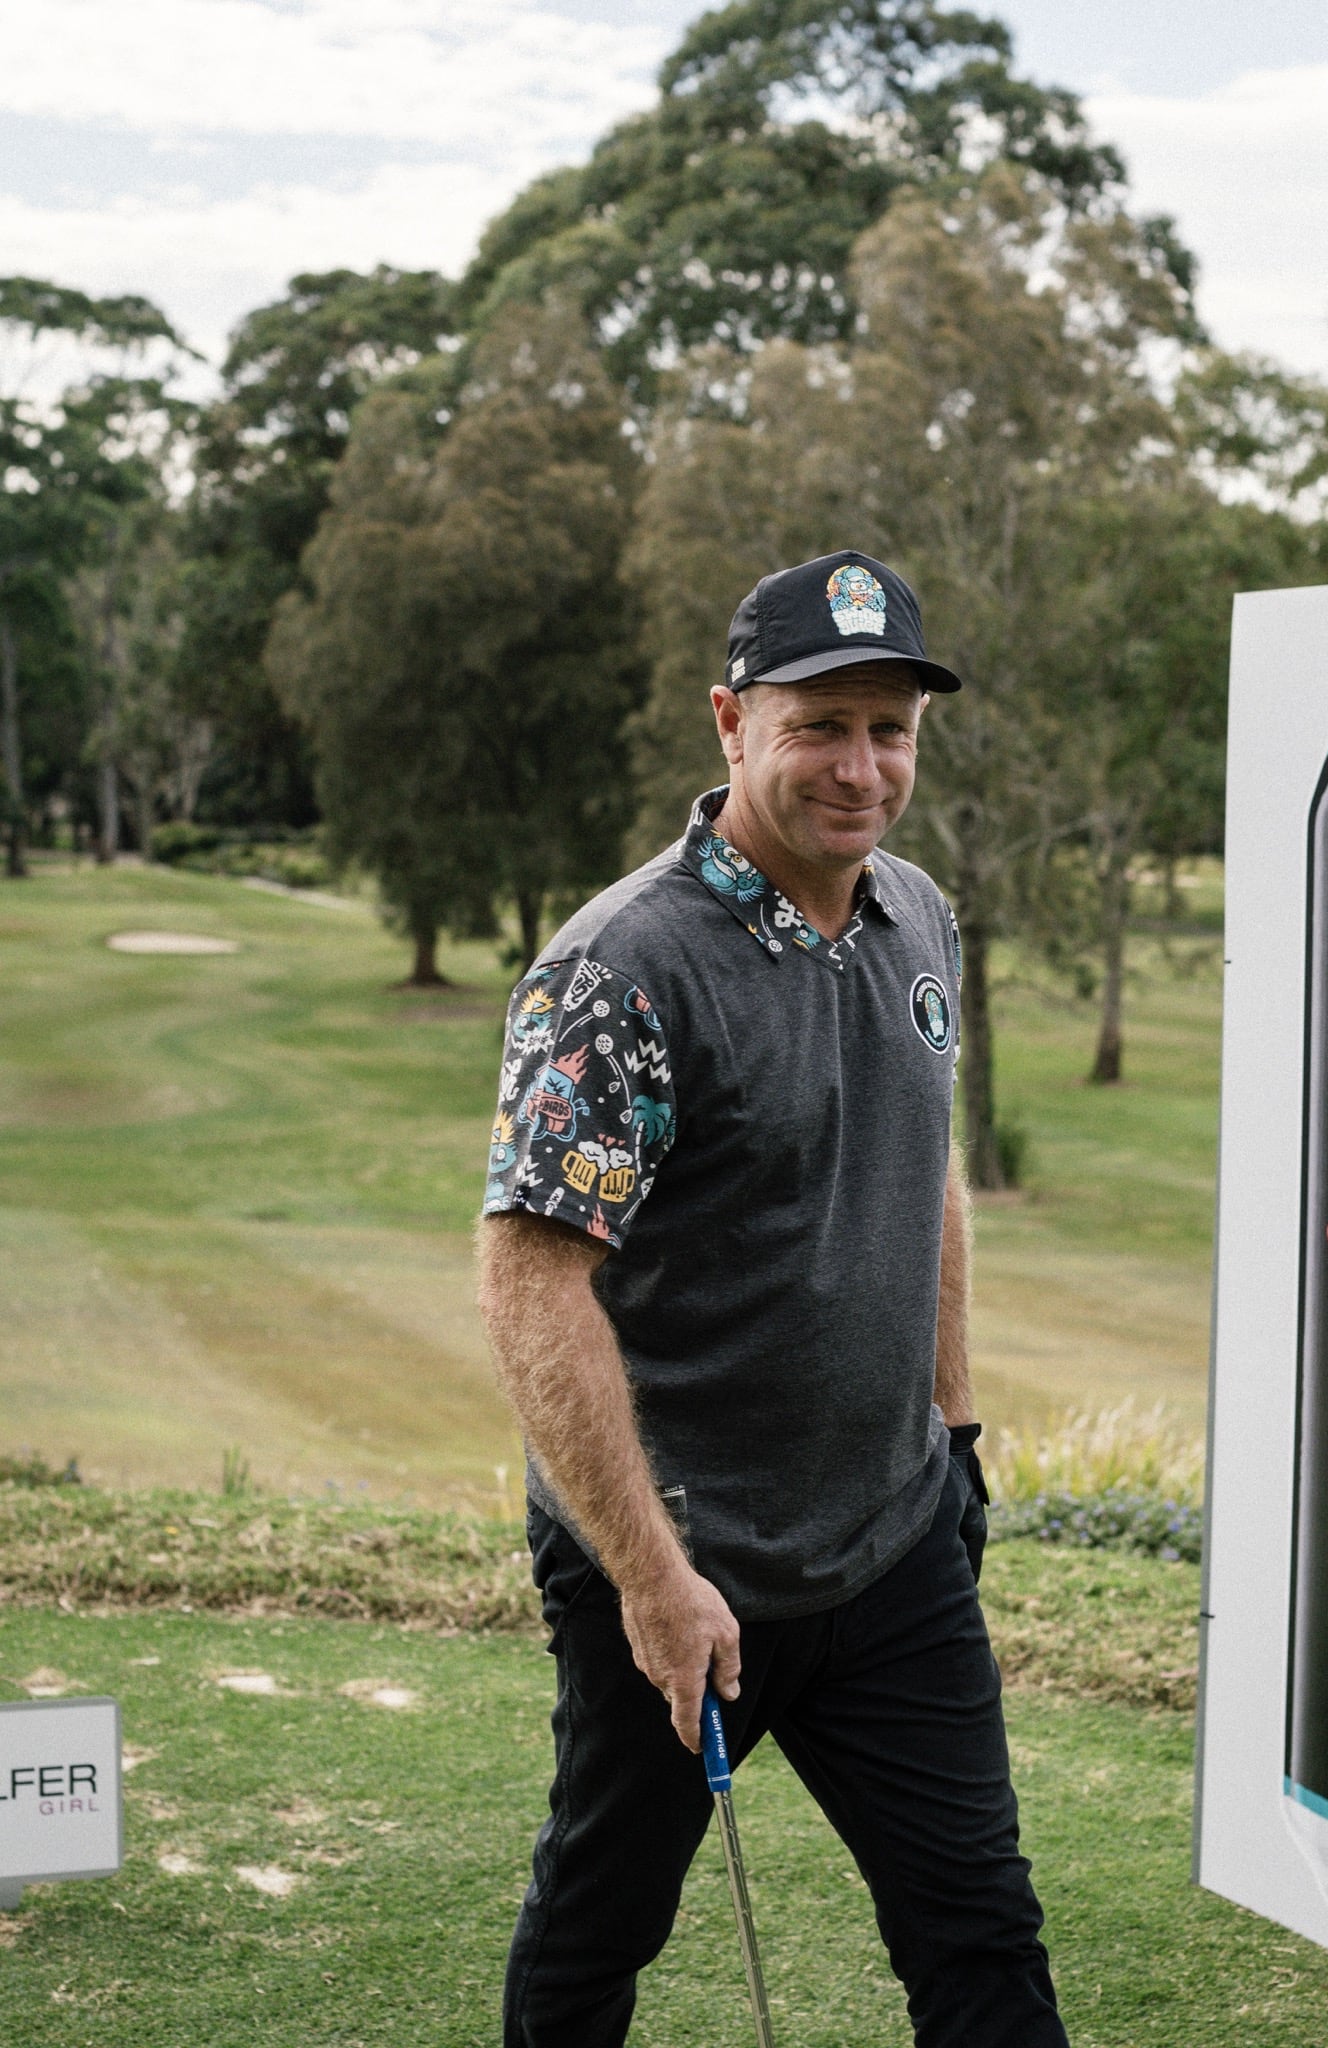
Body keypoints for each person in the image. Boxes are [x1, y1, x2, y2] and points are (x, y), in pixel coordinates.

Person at [476, 549, 1068, 2048]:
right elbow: (533, 1282)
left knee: (980, 1929)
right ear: (732, 723)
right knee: (603, 1922)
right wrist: (649, 1577)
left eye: (889, 730)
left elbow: (925, 1170)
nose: (861, 769)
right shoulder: (621, 969)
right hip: (682, 1566)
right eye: (820, 727)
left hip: (893, 1546)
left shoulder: (916, 915)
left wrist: (953, 1432)